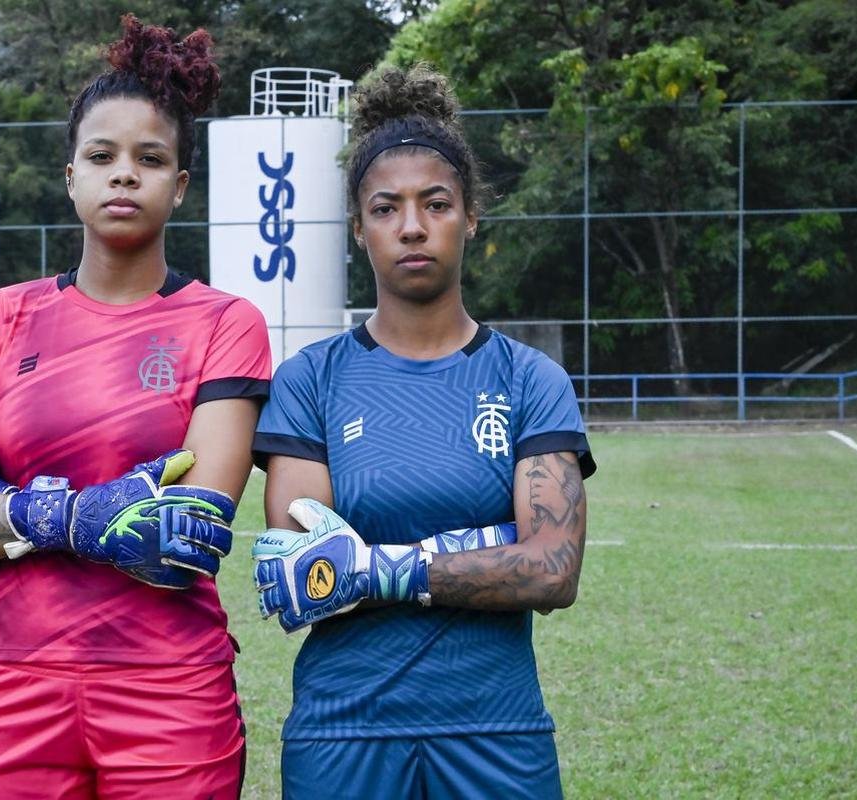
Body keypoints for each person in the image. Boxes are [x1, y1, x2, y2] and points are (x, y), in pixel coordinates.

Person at [0, 16, 270, 799]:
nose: (123, 175)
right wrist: (73, 518)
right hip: (13, 686)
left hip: (170, 691)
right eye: (102, 156)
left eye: (150, 159)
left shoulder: (227, 324)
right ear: (71, 177)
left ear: (180, 186)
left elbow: (185, 536)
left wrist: (0, 517)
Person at [250, 64, 597, 799]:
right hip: (342, 730)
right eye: (386, 207)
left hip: (496, 730)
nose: (411, 225)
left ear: (469, 216)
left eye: (434, 204)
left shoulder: (529, 379)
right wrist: (479, 547)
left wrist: (381, 569)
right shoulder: (309, 381)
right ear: (358, 227)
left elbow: (551, 571)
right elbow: (306, 573)